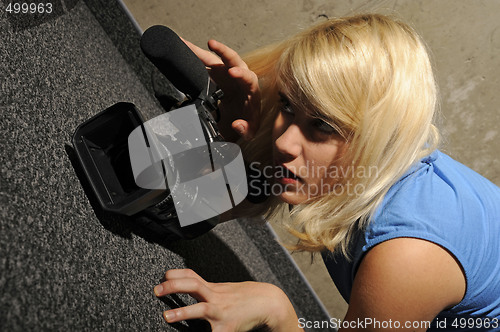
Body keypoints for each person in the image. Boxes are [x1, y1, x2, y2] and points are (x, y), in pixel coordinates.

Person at [153, 14, 500, 331]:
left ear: (376, 138)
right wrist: (231, 137)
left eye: (322, 124)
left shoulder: (408, 254)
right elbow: (176, 210)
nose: (285, 141)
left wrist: (280, 313)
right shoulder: (340, 162)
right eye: (287, 104)